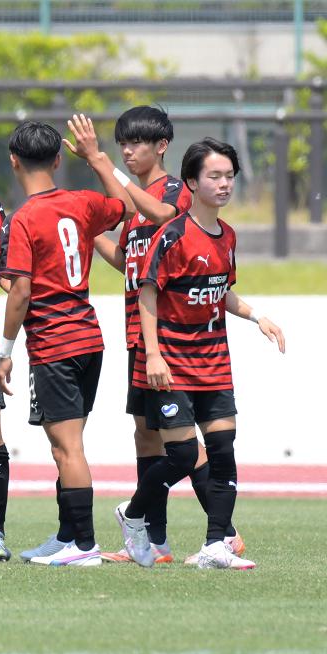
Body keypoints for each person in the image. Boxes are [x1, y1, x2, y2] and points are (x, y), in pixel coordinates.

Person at [114, 137, 284, 570]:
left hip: (214, 362)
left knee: (223, 450)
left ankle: (215, 546)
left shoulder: (228, 236)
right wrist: (153, 355)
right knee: (184, 456)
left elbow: (221, 291)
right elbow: (147, 294)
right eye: (214, 176)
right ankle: (133, 514)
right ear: (192, 181)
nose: (224, 184)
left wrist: (256, 316)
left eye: (229, 176)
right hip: (173, 364)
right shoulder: (172, 235)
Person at [92, 106, 244, 563]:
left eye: (136, 143)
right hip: (138, 336)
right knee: (147, 435)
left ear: (161, 146)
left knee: (186, 445)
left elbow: (163, 216)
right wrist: (88, 232)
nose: (127, 151)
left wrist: (103, 165)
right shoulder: (133, 206)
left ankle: (223, 532)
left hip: (170, 340)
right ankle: (153, 542)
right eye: (122, 144)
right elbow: (126, 260)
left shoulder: (174, 191)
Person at [0, 117, 134, 567]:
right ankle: (67, 536)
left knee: (66, 447)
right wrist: (95, 159)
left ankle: (85, 545)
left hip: (55, 343)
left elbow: (20, 291)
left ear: (13, 161)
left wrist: (4, 352)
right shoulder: (82, 202)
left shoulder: (25, 218)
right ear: (58, 160)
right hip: (88, 338)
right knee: (68, 444)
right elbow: (124, 206)